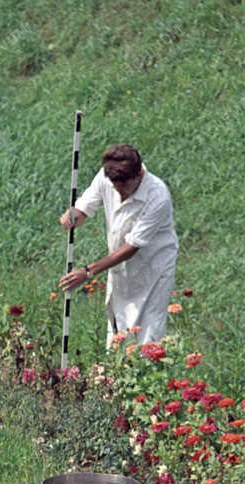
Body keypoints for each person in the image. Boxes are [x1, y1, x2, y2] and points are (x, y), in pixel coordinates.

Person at [58, 143, 178, 346]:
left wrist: (87, 272)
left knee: (148, 335)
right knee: (117, 332)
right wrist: (74, 215)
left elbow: (132, 247)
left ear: (139, 174)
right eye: (116, 187)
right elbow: (85, 206)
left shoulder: (158, 196)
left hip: (153, 270)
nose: (120, 192)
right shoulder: (108, 175)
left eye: (125, 186)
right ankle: (113, 375)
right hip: (120, 270)